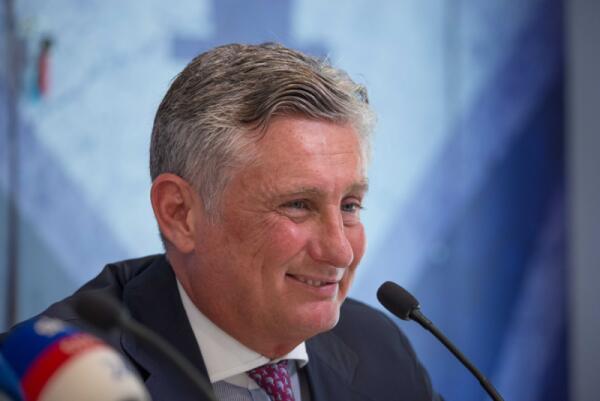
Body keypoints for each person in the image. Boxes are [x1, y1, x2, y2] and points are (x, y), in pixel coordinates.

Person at [5, 43, 442, 401]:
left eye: (349, 206)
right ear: (180, 213)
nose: (340, 251)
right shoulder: (50, 378)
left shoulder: (378, 348)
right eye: (297, 204)